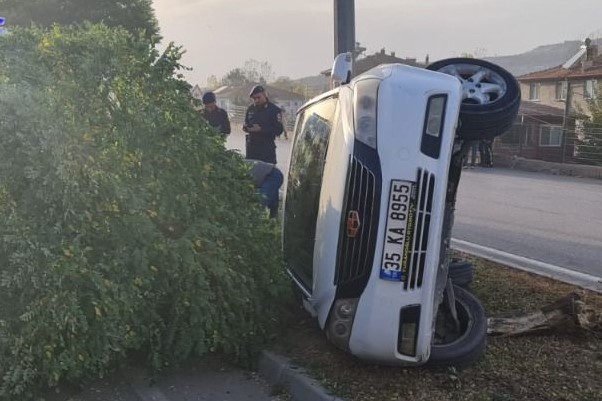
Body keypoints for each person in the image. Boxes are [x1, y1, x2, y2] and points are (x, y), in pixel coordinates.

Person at [243, 85, 283, 164]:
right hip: (252, 150)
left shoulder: (274, 110)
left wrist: (261, 129)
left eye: (258, 97)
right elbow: (246, 124)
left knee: (268, 174)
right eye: (254, 98)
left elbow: (279, 130)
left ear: (265, 95)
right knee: (251, 175)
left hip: (266, 150)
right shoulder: (250, 109)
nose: (256, 100)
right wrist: (247, 128)